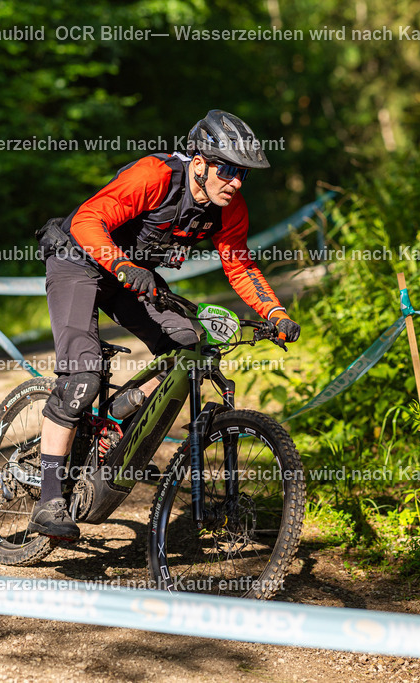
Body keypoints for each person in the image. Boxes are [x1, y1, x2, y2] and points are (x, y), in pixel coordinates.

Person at [30, 110, 301, 539]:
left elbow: (239, 263)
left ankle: (124, 409)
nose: (236, 182)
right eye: (229, 170)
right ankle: (48, 500)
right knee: (82, 378)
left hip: (129, 273)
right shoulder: (154, 176)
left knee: (191, 343)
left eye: (243, 175)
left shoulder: (229, 207)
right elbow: (86, 220)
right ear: (199, 163)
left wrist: (275, 313)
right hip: (77, 260)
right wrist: (120, 264)